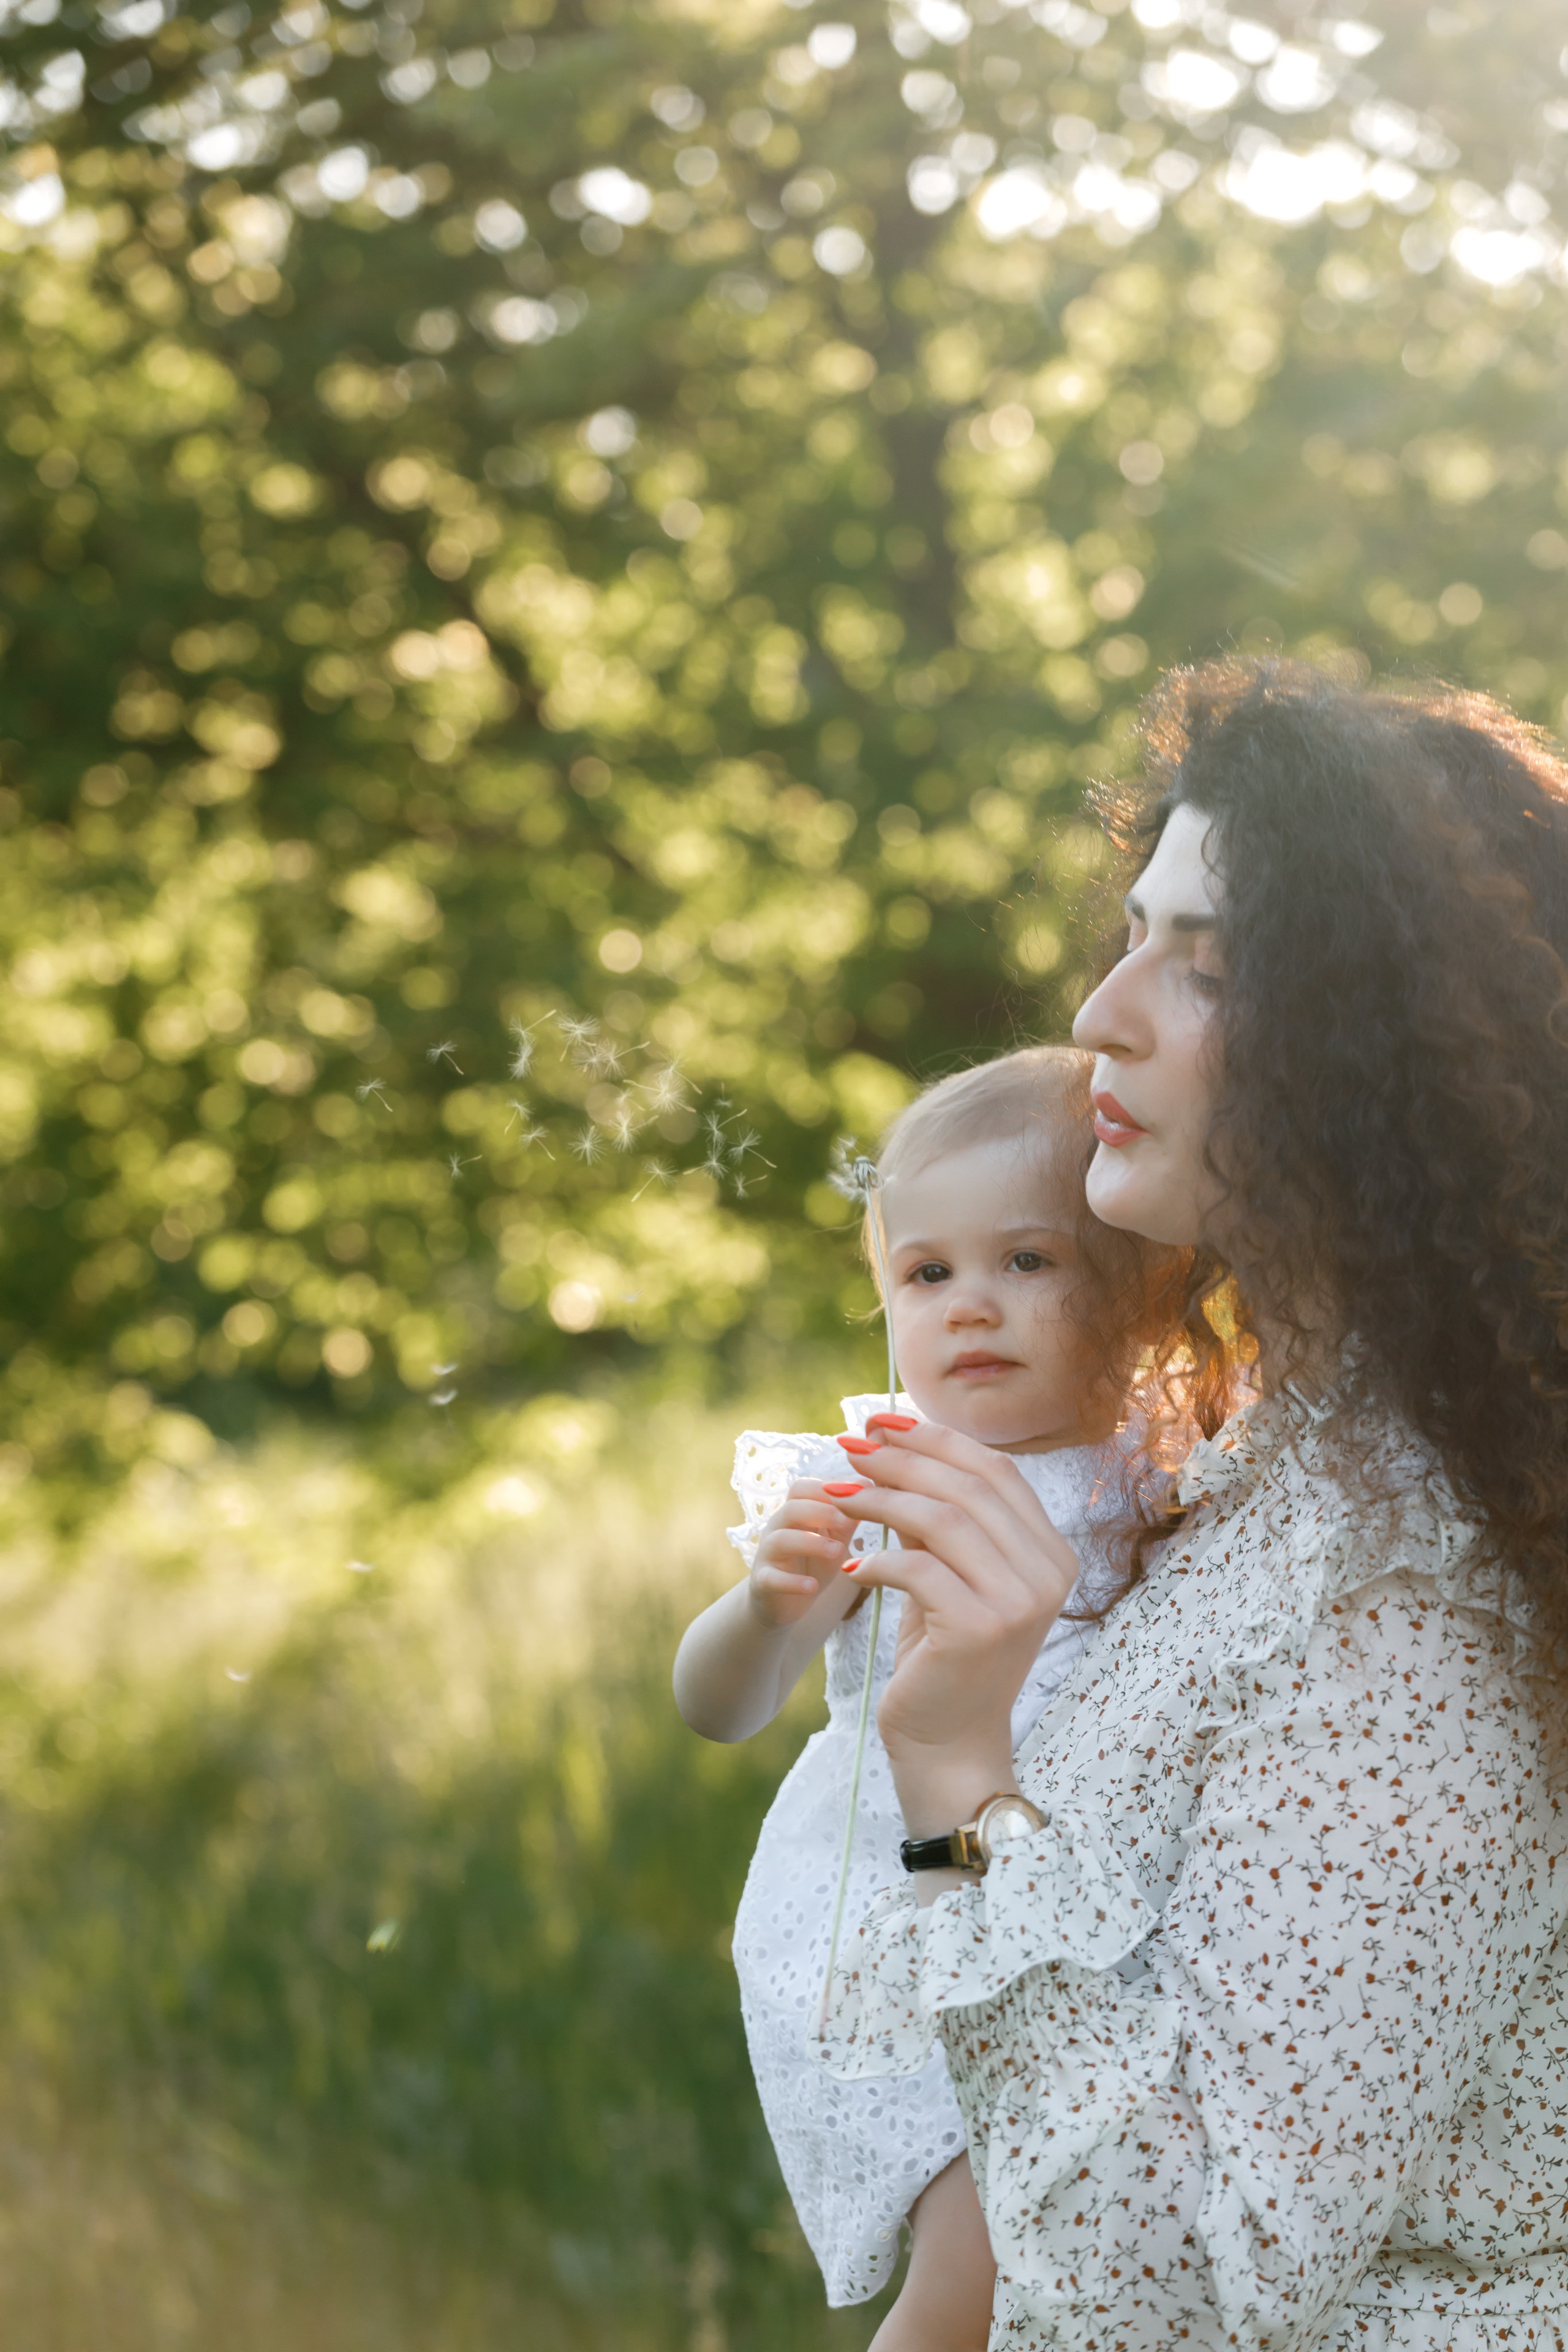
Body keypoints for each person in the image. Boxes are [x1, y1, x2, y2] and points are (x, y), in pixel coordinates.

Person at [818, 659, 1568, 2350]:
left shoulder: (1409, 1593)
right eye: (1134, 932)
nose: (1104, 1009)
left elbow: (1203, 2285)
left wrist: (957, 1773)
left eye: (1204, 965)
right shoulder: (1278, 1470)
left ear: (1383, 1063)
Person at [673, 1048, 1208, 2350]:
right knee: (969, 2265)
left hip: (1081, 1920)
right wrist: (763, 1605)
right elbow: (719, 1709)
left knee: (1036, 2259)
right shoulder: (875, 1480)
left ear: (1144, 1293)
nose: (969, 1306)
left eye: (1026, 1262)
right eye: (927, 1274)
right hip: (894, 1919)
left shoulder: (1175, 1481)